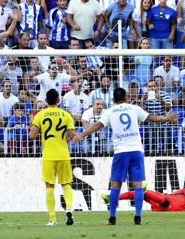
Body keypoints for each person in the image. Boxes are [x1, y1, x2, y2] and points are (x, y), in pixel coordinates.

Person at [73, 87, 176, 225]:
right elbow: (152, 118)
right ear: (126, 98)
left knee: (116, 185)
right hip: (136, 151)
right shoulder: (134, 108)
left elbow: (97, 126)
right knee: (138, 185)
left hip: (121, 152)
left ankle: (112, 218)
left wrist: (81, 135)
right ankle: (138, 217)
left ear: (113, 100)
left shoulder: (110, 112)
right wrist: (166, 118)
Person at [29, 89, 76, 227]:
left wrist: (38, 130)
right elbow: (72, 134)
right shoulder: (66, 115)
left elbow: (31, 136)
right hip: (63, 155)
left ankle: (52, 219)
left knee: (50, 186)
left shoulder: (40, 115)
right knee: (66, 184)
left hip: (49, 156)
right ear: (58, 100)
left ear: (46, 101)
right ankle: (68, 209)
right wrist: (63, 140)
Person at [103, 187, 185, 211]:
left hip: (163, 206)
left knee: (144, 194)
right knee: (142, 193)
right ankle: (113, 198)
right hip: (164, 200)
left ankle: (144, 191)